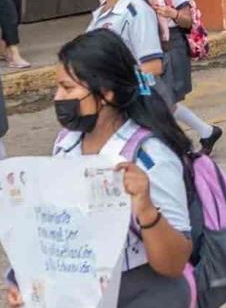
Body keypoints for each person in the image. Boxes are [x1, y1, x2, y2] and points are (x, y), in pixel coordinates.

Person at [8, 30, 194, 304]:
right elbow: (54, 226)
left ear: (106, 93)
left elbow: (174, 263)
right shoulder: (66, 144)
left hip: (141, 294)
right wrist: (23, 280)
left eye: (68, 88)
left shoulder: (149, 157)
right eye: (58, 87)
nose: (58, 97)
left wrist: (145, 209)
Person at [137, 0, 221, 154]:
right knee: (158, 99)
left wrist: (170, 12)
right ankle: (206, 132)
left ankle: (176, 145)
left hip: (171, 44)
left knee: (165, 100)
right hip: (149, 43)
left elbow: (186, 20)